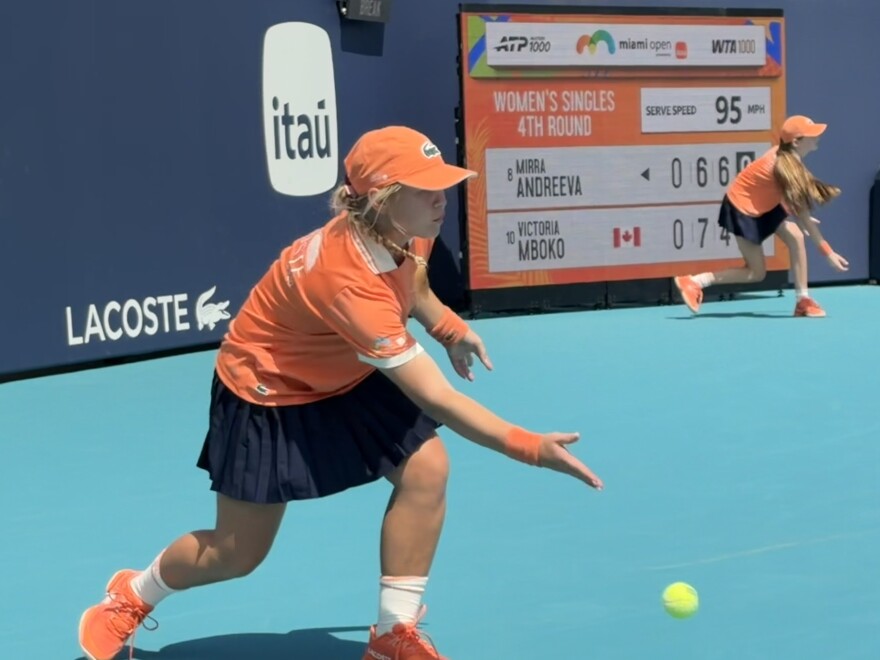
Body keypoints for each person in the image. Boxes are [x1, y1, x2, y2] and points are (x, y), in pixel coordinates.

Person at [77, 126, 604, 660]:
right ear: (382, 197)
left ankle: (392, 634)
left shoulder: (407, 224)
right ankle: (132, 594)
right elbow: (439, 400)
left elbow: (414, 285)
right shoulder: (348, 283)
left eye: (441, 184)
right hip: (268, 389)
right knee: (236, 554)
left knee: (427, 468)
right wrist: (531, 448)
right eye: (426, 188)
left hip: (341, 366)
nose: (441, 198)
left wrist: (448, 328)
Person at [674, 115, 849, 317]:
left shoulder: (791, 161)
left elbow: (790, 202)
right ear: (796, 142)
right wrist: (828, 253)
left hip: (764, 204)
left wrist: (796, 215)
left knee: (796, 236)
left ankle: (803, 300)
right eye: (812, 134)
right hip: (742, 210)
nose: (818, 137)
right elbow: (803, 214)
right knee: (755, 273)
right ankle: (695, 282)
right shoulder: (782, 167)